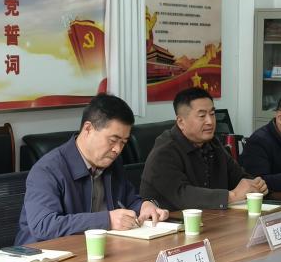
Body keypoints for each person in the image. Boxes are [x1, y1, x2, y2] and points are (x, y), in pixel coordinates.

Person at [15, 94, 168, 244]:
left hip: (98, 249)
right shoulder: (47, 170)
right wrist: (107, 220)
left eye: (123, 142)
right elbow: (43, 225)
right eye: (113, 140)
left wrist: (144, 206)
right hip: (45, 255)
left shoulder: (112, 162)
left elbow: (128, 200)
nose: (117, 149)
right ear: (88, 129)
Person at [141, 87, 267, 211]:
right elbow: (183, 196)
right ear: (181, 122)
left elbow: (238, 177)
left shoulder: (213, 144)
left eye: (212, 114)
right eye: (202, 116)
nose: (210, 121)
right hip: (172, 221)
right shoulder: (164, 152)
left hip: (214, 218)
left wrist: (255, 185)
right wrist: (233, 196)